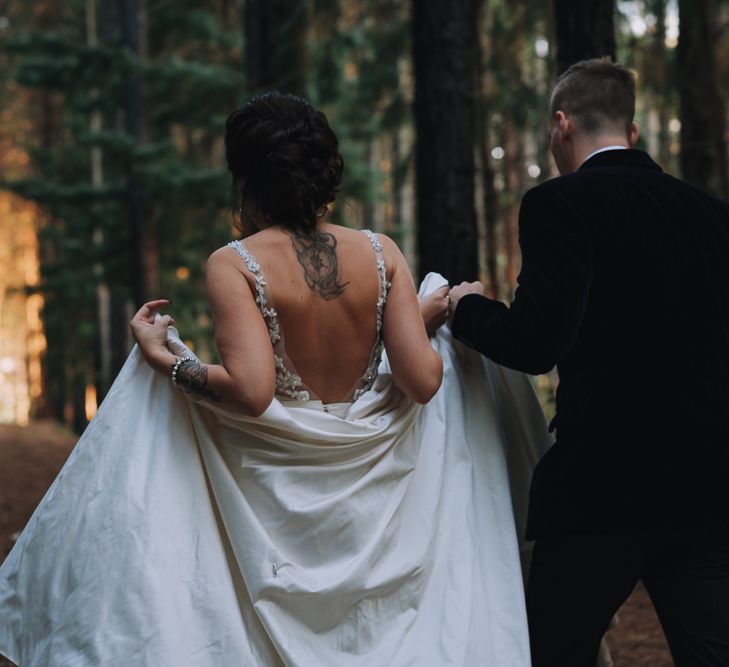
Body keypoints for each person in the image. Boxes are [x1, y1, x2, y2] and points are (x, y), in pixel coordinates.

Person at [0, 92, 550, 666]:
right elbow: (422, 382)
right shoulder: (379, 251)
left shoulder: (236, 262)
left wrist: (164, 358)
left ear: (248, 179)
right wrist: (423, 316)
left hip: (279, 502)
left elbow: (252, 390)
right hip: (384, 493)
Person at [449, 58, 729, 667]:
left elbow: (533, 343)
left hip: (604, 485)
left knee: (555, 653)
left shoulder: (560, 205)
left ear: (561, 125)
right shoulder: (714, 215)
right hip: (709, 486)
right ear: (631, 132)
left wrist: (468, 309)